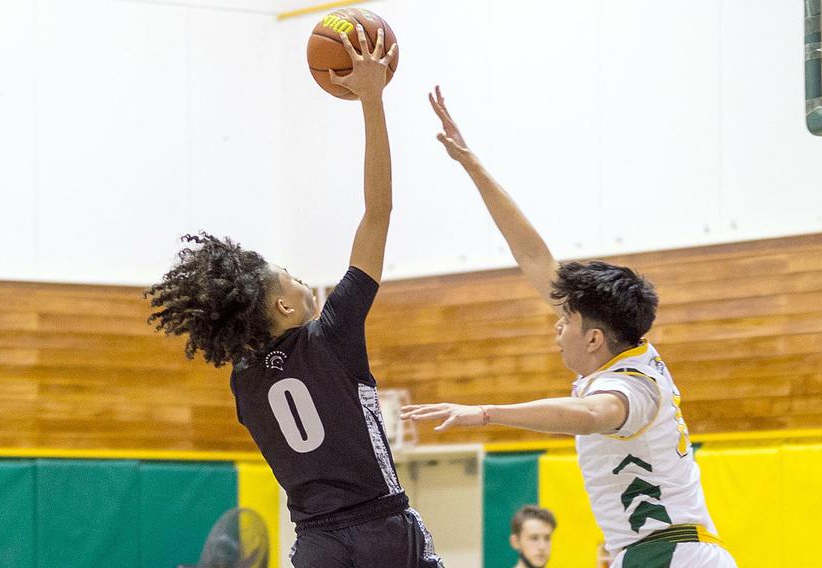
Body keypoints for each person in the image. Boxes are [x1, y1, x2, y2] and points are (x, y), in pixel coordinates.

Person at [400, 86, 736, 568]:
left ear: (594, 338)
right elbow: (533, 256)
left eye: (565, 320)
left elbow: (591, 415)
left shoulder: (633, 387)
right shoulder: (628, 349)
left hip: (669, 557)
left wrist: (486, 413)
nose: (556, 327)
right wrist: (471, 165)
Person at [147, 28, 443, 568]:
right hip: (382, 528)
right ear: (284, 307)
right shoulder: (332, 334)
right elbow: (377, 213)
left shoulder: (244, 380)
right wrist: (372, 102)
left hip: (317, 545)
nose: (302, 277)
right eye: (289, 275)